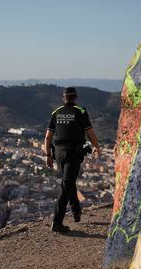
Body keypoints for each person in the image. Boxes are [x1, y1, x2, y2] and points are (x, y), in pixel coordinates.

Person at [44, 87, 101, 233]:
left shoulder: (56, 112)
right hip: (73, 152)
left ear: (63, 98)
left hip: (58, 153)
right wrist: (96, 147)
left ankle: (76, 212)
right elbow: (90, 132)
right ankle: (57, 223)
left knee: (68, 181)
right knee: (67, 184)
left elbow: (47, 137)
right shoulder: (80, 111)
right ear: (75, 97)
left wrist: (48, 155)